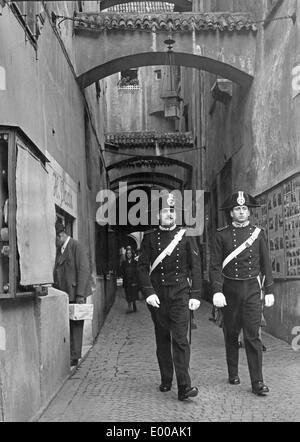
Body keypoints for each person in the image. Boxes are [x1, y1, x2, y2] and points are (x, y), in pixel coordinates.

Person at [137, 191, 202, 401]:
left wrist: (195, 294)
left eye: (173, 211)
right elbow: (141, 267)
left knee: (181, 339)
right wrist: (148, 292)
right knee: (162, 339)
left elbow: (196, 267)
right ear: (158, 216)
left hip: (180, 294)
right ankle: (166, 378)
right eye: (165, 211)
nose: (170, 215)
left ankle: (184, 386)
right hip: (158, 297)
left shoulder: (186, 236)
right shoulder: (149, 238)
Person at [209, 191, 275, 395]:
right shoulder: (221, 235)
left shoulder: (258, 233)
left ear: (249, 212)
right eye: (237, 209)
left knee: (252, 335)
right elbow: (214, 266)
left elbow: (266, 263)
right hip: (229, 291)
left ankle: (257, 382)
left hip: (252, 291)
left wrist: (269, 290)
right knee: (230, 333)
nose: (241, 212)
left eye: (244, 208)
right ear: (231, 213)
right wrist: (217, 290)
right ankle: (233, 372)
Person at [53, 221, 92, 367]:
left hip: (76, 293)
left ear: (60, 235)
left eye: (55, 239)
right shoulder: (60, 249)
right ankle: (69, 353)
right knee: (67, 324)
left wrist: (80, 294)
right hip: (64, 293)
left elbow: (84, 270)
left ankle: (75, 356)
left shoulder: (76, 246)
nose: (54, 242)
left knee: (76, 324)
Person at [120, 246, 139, 313]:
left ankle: (134, 305)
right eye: (127, 253)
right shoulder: (124, 263)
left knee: (133, 294)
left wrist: (136, 281)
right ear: (126, 255)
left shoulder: (135, 262)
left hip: (133, 281)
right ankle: (129, 307)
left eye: (130, 253)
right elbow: (122, 271)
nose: (128, 255)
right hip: (126, 282)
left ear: (132, 254)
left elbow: (137, 272)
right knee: (127, 294)